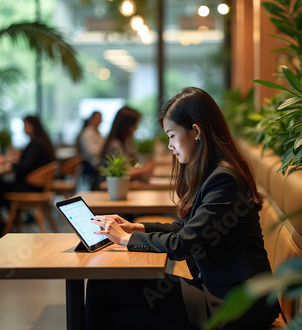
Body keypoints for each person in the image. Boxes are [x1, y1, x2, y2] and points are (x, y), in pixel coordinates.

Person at [86, 87, 280, 329]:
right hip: (219, 291)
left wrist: (126, 239)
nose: (170, 145)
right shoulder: (214, 173)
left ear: (196, 131)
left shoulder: (224, 179)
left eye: (171, 135)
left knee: (103, 285)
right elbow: (186, 229)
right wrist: (135, 226)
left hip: (234, 303)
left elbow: (185, 243)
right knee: (113, 307)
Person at [0, 115, 56, 220]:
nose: (23, 129)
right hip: (39, 186)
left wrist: (9, 164)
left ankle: (3, 220)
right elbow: (30, 161)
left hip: (32, 187)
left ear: (31, 126)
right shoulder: (41, 141)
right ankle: (15, 217)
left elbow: (25, 166)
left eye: (25, 125)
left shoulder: (35, 143)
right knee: (0, 185)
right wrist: (19, 156)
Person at [98, 106, 154, 180]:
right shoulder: (115, 145)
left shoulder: (126, 143)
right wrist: (144, 169)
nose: (135, 129)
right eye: (134, 125)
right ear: (126, 126)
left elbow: (133, 164)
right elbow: (122, 172)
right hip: (110, 188)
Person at [76, 111, 104, 187]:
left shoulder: (97, 132)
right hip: (90, 164)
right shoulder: (88, 133)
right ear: (91, 119)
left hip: (96, 162)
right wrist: (103, 147)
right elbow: (91, 151)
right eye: (98, 118)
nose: (100, 121)